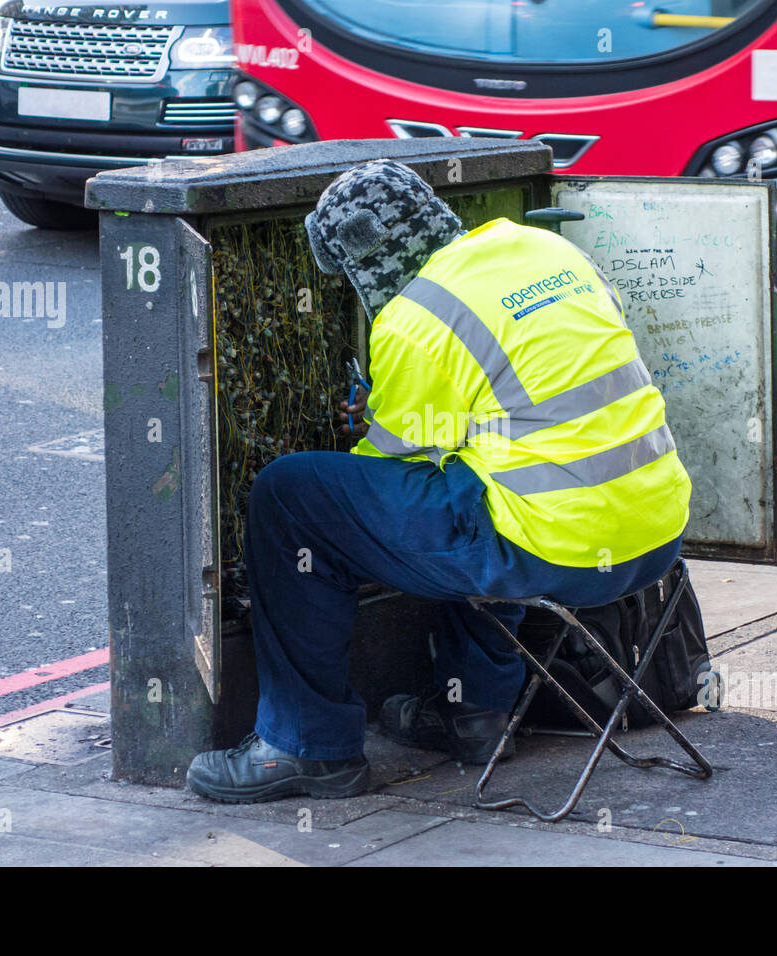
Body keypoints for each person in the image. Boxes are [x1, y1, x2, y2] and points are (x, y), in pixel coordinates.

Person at [186, 159, 692, 804]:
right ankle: (477, 711)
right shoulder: (544, 249)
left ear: (363, 261)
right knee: (485, 477)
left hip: (554, 551)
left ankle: (305, 747)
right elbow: (527, 399)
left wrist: (378, 410)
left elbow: (391, 469)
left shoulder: (412, 318)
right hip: (655, 536)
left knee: (292, 496)